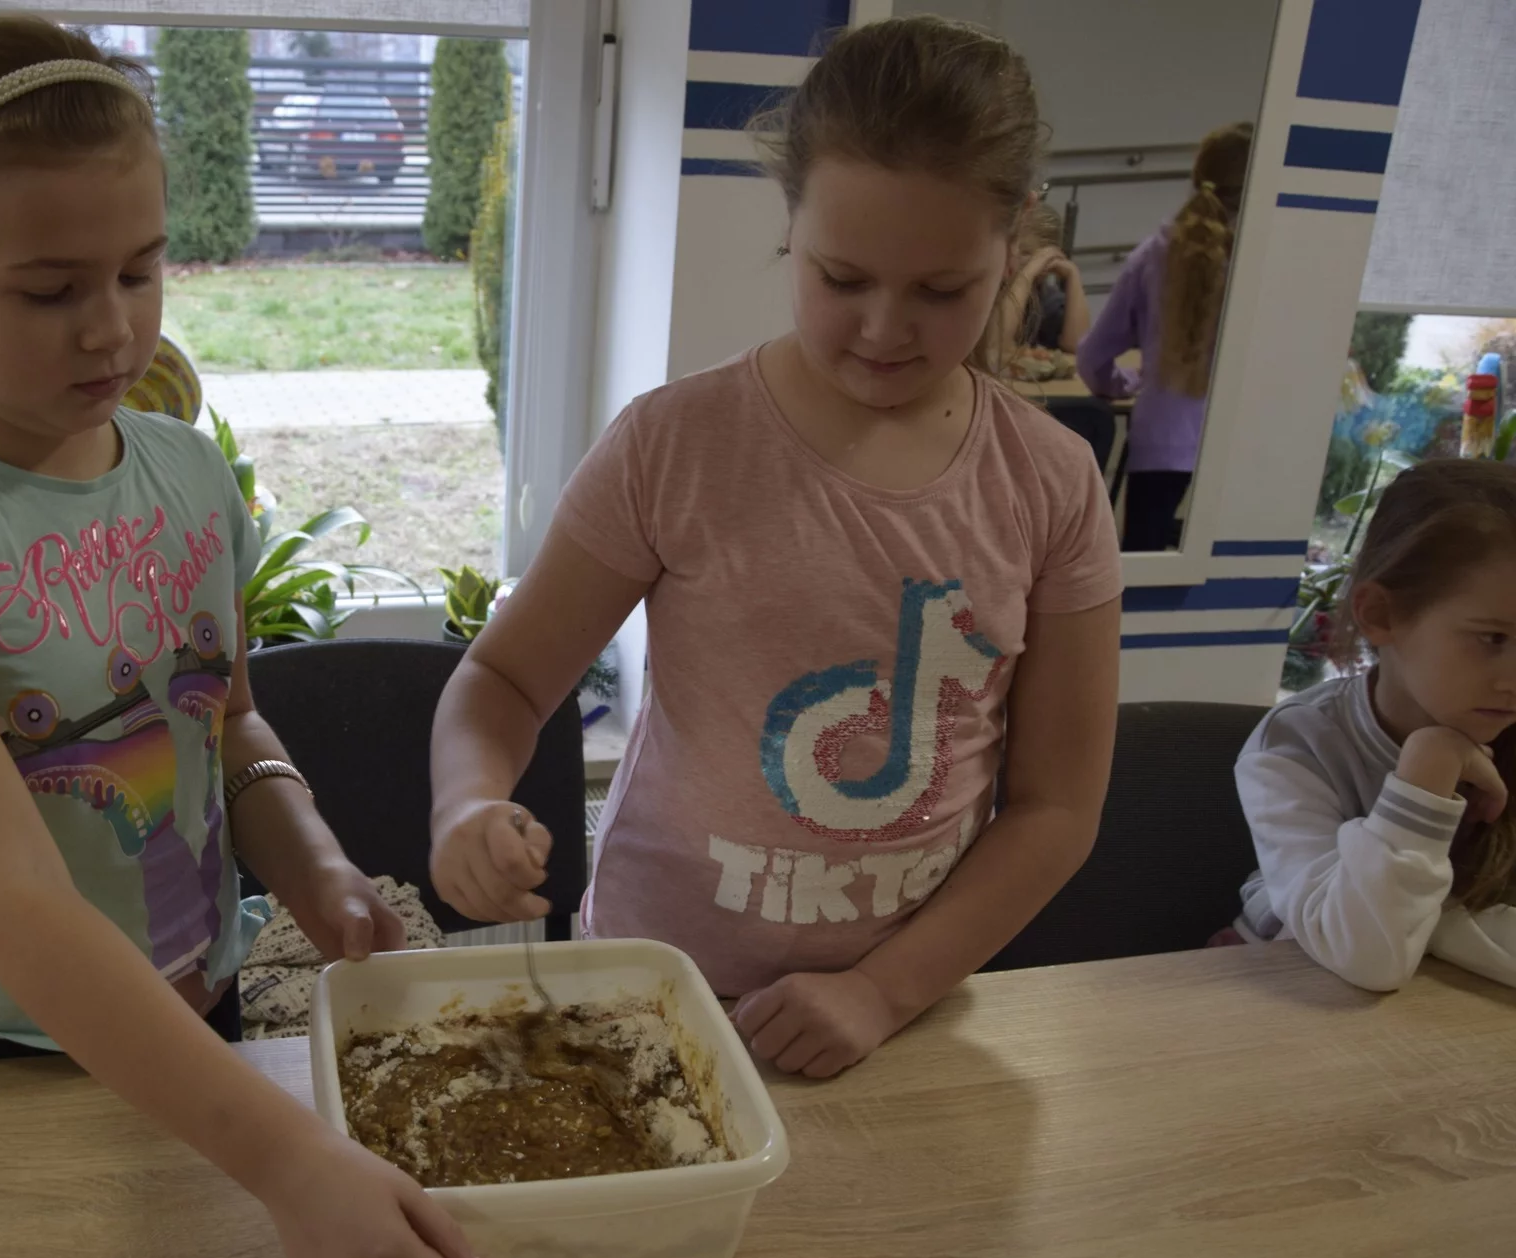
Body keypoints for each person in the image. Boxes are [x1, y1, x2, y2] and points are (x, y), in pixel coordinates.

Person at [0, 18, 481, 1258]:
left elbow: (229, 727)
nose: (111, 331)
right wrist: (288, 1161)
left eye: (140, 272)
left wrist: (312, 866)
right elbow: (8, 892)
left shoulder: (187, 472)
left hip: (190, 1010)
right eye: (49, 292)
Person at [428, 17, 1122, 1080]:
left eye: (941, 291)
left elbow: (1055, 807)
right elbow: (505, 681)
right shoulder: (674, 445)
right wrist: (466, 802)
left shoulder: (1051, 482)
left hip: (906, 1007)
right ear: (789, 223)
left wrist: (882, 991)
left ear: (1014, 241)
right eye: (841, 278)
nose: (883, 328)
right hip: (651, 989)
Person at [1218, 461, 1516, 991]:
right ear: (1380, 614)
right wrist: (1429, 769)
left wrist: (1435, 926)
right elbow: (1369, 956)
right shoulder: (1295, 746)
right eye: (1493, 639)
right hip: (1281, 995)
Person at [1077, 121, 1254, 552]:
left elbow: (1093, 357)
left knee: (1143, 565)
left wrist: (1124, 382)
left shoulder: (1151, 256)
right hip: (1242, 448)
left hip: (1162, 442)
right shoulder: (1266, 263)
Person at [992, 202, 1089, 362]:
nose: (1012, 258)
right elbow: (995, 344)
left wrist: (1073, 276)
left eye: (1025, 252)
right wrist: (1025, 276)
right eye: (1008, 247)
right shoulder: (987, 292)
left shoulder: (1047, 300)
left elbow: (1077, 347)